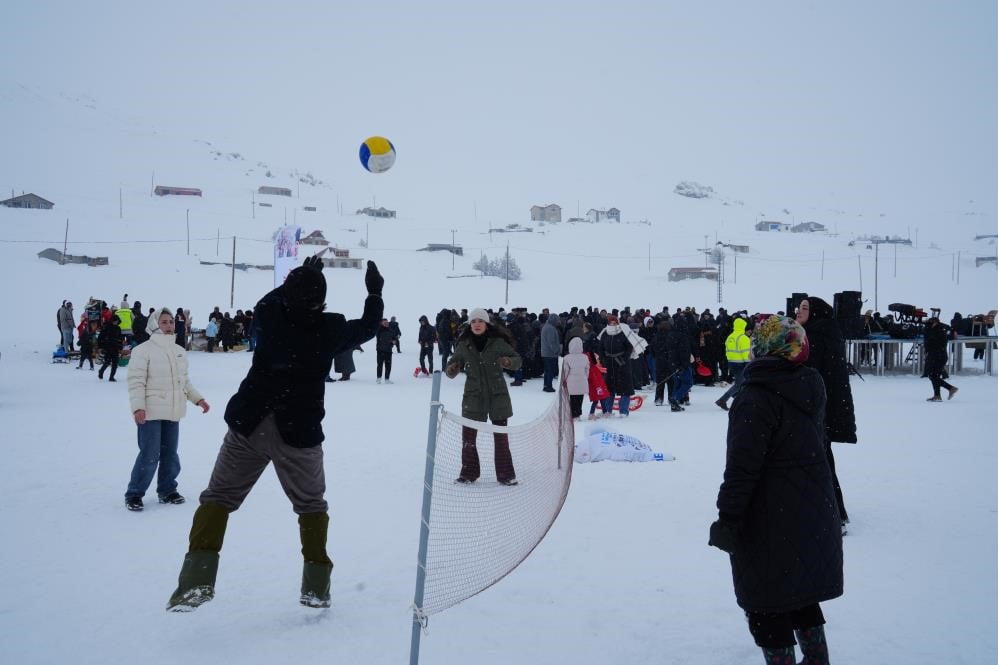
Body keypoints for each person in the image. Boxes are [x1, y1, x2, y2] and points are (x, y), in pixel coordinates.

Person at [167, 258, 384, 612]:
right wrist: (374, 292)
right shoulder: (331, 329)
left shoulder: (271, 317)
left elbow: (266, 303)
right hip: (298, 433)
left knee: (218, 498)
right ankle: (315, 588)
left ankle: (195, 583)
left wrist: (299, 275)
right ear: (321, 301)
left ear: (288, 293)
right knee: (311, 506)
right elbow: (370, 326)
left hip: (250, 423)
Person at [709, 316, 842, 665]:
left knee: (766, 601)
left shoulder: (755, 398)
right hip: (809, 510)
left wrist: (728, 518)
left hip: (770, 517)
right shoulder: (810, 385)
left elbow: (741, 469)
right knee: (799, 592)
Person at [125, 308, 210, 511]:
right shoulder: (142, 350)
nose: (169, 325)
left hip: (173, 411)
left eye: (171, 322)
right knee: (149, 455)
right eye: (164, 322)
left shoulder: (179, 351)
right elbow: (136, 382)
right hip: (151, 412)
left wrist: (198, 399)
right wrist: (138, 408)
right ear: (154, 324)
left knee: (171, 454)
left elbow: (184, 382)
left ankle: (167, 490)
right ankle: (134, 494)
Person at [797, 297, 857, 533]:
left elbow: (811, 372)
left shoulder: (816, 335)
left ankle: (835, 514)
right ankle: (832, 511)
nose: (799, 311)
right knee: (820, 460)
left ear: (816, 313)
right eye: (799, 307)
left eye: (804, 308)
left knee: (820, 461)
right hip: (818, 408)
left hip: (816, 410)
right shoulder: (818, 331)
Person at [444, 307, 522, 486]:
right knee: (468, 439)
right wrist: (452, 368)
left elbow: (517, 360)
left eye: (480, 321)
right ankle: (468, 474)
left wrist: (508, 362)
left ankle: (506, 475)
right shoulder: (464, 345)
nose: (477, 324)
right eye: (473, 321)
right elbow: (451, 366)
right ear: (469, 324)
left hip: (498, 396)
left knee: (501, 438)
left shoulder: (498, 342)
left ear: (486, 324)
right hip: (473, 397)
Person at [715, 316, 751, 411]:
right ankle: (722, 400)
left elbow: (727, 350)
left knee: (740, 383)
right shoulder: (743, 338)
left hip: (731, 363)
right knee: (739, 384)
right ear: (743, 326)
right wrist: (748, 364)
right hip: (741, 364)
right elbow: (746, 353)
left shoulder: (730, 337)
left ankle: (737, 398)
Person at [923, 316, 958, 402]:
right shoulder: (941, 330)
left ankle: (950, 388)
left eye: (930, 323)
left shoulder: (937, 331)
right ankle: (938, 395)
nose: (928, 324)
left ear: (935, 323)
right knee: (934, 375)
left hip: (937, 356)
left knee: (933, 375)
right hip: (939, 355)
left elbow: (929, 337)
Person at [562, 337, 590, 419]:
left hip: (571, 381)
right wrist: (585, 377)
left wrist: (564, 380)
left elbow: (565, 371)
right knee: (580, 398)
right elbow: (587, 369)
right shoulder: (585, 357)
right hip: (582, 381)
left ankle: (573, 414)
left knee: (573, 398)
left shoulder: (567, 358)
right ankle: (578, 413)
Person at [540, 312, 562, 392]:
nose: (558, 322)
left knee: (547, 371)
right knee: (550, 371)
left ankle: (546, 385)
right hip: (550, 354)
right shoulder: (550, 328)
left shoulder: (547, 326)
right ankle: (548, 386)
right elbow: (551, 342)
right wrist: (556, 351)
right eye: (557, 320)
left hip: (546, 353)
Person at [97, 314, 123, 381]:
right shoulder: (106, 327)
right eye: (114, 321)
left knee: (115, 363)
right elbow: (100, 337)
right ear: (112, 321)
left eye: (117, 321)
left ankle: (111, 377)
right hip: (107, 347)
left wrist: (120, 346)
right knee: (107, 362)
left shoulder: (118, 328)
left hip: (115, 347)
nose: (116, 322)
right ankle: (101, 371)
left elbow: (120, 338)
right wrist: (100, 346)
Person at [375, 318, 397, 383]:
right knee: (380, 365)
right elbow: (383, 339)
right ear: (381, 323)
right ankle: (379, 378)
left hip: (388, 350)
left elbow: (394, 338)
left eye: (387, 323)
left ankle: (387, 379)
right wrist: (391, 341)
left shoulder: (391, 330)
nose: (386, 324)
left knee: (388, 366)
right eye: (384, 323)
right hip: (380, 350)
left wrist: (395, 341)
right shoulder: (379, 330)